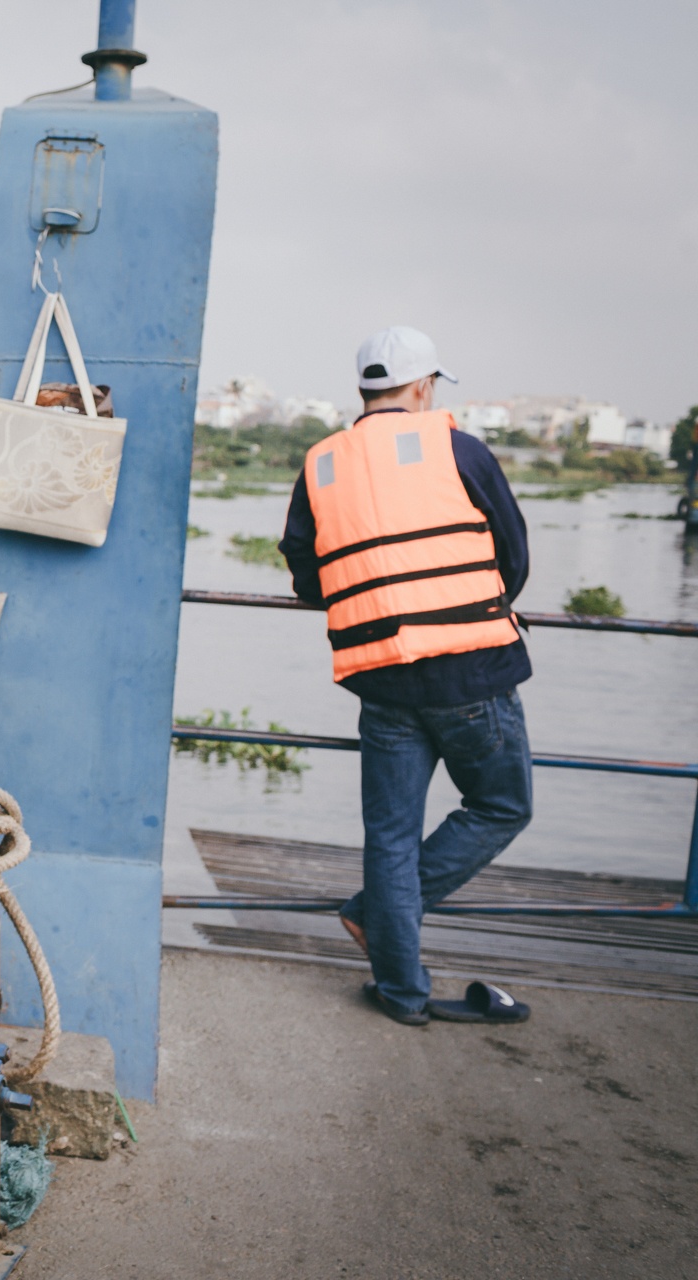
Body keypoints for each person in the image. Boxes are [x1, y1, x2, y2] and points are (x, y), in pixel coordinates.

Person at [278, 327, 535, 1028]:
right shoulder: (457, 447)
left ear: (363, 391)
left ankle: (401, 990)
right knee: (503, 805)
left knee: (390, 837)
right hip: (470, 672)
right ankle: (373, 918)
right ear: (423, 387)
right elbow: (512, 552)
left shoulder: (322, 462)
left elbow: (306, 570)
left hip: (382, 679)